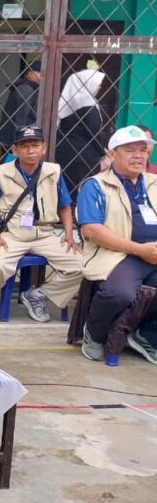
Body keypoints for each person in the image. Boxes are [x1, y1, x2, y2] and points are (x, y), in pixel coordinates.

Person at [0, 125, 82, 322]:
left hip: (45, 234)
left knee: (83, 265)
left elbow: (65, 206)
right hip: (12, 235)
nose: (30, 150)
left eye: (35, 145)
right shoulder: (0, 173)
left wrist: (69, 234)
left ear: (43, 148)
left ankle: (38, 295)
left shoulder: (53, 171)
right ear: (14, 149)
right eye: (24, 146)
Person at [76, 125, 157, 364]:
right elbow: (91, 230)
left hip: (153, 252)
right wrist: (139, 249)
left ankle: (146, 335)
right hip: (118, 254)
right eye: (130, 150)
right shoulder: (95, 185)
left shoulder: (154, 182)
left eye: (142, 150)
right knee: (119, 293)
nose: (138, 156)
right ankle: (94, 333)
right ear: (112, 154)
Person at [55, 63, 106, 202]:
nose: (99, 88)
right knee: (81, 193)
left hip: (64, 151)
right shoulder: (88, 104)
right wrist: (103, 152)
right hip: (83, 155)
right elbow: (93, 132)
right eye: (97, 84)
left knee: (64, 191)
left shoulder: (68, 101)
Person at [0, 61, 41, 149]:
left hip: (14, 139)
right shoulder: (26, 89)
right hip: (17, 141)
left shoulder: (25, 88)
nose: (43, 76)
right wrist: (20, 140)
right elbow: (20, 118)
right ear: (30, 74)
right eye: (40, 72)